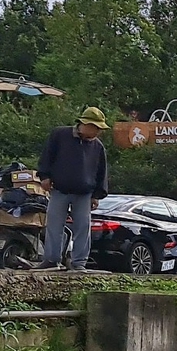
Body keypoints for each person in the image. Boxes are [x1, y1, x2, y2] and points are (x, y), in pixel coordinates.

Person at [34, 107, 111, 271]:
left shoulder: (98, 147)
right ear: (85, 124)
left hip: (84, 193)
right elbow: (47, 156)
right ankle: (52, 259)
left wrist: (97, 195)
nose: (98, 132)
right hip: (60, 189)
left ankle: (79, 263)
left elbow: (101, 171)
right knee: (54, 225)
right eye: (96, 128)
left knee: (83, 227)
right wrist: (44, 177)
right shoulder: (60, 135)